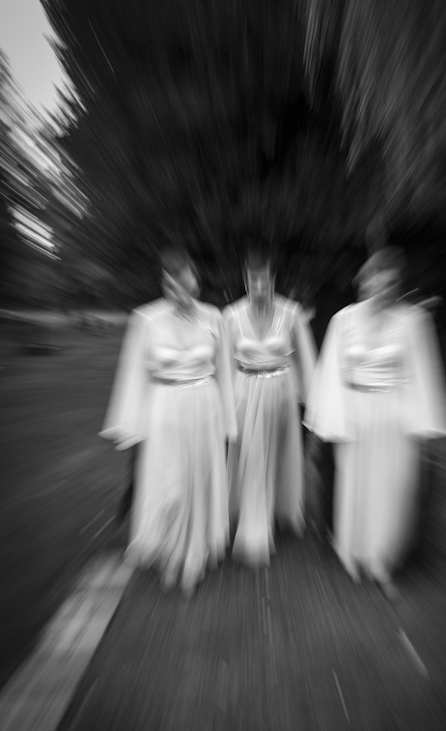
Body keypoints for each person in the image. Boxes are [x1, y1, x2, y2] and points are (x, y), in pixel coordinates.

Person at [305, 246, 446, 598]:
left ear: (397, 284)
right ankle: (356, 551)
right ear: (365, 282)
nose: (381, 289)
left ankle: (383, 558)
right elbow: (330, 373)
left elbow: (423, 375)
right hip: (356, 416)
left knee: (392, 487)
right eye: (375, 281)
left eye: (389, 283)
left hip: (394, 417)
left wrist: (425, 426)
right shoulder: (343, 320)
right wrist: (329, 422)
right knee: (356, 484)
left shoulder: (414, 320)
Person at [100, 245, 237, 597]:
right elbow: (133, 376)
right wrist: (132, 426)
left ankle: (192, 556)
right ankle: (169, 552)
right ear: (163, 284)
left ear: (195, 280)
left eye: (186, 283)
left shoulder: (214, 318)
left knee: (198, 480)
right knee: (169, 484)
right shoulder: (145, 319)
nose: (180, 292)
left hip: (205, 407)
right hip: (164, 409)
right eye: (172, 285)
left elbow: (223, 372)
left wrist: (228, 422)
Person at [223, 245, 317, 565]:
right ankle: (254, 526)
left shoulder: (292, 312)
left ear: (273, 279)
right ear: (245, 281)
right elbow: (223, 365)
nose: (260, 288)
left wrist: (313, 402)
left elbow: (306, 360)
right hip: (245, 393)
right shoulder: (231, 315)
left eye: (265, 280)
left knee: (278, 453)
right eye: (253, 281)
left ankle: (281, 508)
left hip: (282, 393)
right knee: (252, 457)